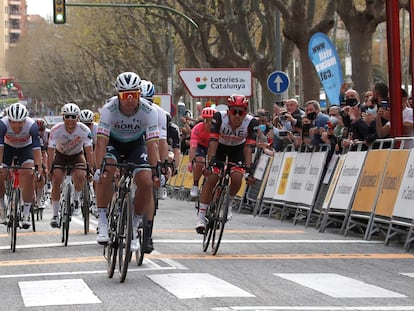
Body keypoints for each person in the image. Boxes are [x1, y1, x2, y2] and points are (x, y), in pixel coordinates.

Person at [94, 72, 160, 254]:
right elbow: (101, 142)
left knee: (146, 182)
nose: (130, 99)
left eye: (134, 94)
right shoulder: (108, 109)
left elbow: (152, 144)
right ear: (118, 94)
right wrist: (99, 169)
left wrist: (156, 171)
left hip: (136, 145)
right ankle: (102, 221)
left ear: (139, 93)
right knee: (107, 170)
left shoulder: (149, 111)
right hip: (113, 144)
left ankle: (134, 225)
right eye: (125, 95)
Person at [195, 94, 258, 234]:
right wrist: (210, 163)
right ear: (228, 110)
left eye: (240, 112)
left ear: (245, 113)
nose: (237, 115)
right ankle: (201, 217)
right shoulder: (219, 117)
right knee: (212, 177)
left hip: (238, 149)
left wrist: (249, 171)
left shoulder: (251, 122)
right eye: (234, 111)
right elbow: (213, 142)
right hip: (219, 148)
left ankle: (228, 203)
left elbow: (248, 148)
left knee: (236, 178)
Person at [48, 103, 95, 228]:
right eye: (67, 117)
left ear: (78, 118)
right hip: (60, 155)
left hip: (77, 155)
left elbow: (89, 151)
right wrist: (49, 169)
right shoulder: (55, 130)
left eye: (73, 117)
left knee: (80, 175)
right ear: (63, 117)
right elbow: (50, 151)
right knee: (56, 179)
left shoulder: (84, 130)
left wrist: (90, 169)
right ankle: (55, 215)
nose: (70, 120)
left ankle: (76, 199)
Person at [0, 103, 42, 228]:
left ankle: (26, 212)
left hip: (25, 148)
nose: (16, 126)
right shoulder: (2, 125)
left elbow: (36, 149)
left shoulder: (32, 126)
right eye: (13, 122)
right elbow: (0, 149)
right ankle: (2, 207)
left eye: (20, 123)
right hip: (8, 148)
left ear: (25, 121)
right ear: (9, 120)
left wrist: (38, 169)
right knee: (1, 174)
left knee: (29, 173)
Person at [188, 106, 216, 198]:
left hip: (212, 146)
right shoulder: (197, 128)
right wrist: (191, 162)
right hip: (200, 146)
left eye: (211, 121)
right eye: (206, 121)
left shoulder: (217, 130)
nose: (209, 124)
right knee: (199, 162)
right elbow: (193, 147)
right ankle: (195, 184)